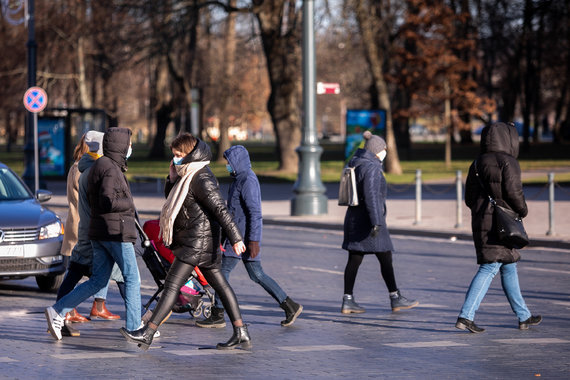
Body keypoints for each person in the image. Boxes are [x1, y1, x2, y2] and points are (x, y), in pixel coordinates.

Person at [120, 133, 251, 350]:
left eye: (179, 154)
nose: (176, 159)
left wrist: (236, 237)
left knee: (171, 286)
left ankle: (148, 333)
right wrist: (171, 177)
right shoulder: (186, 174)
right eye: (174, 155)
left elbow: (220, 209)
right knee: (221, 286)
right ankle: (241, 331)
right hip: (196, 241)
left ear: (191, 153)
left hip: (197, 243)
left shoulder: (201, 177)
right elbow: (173, 200)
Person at [45, 127, 142, 340]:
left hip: (97, 231)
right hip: (110, 231)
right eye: (129, 145)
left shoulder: (94, 167)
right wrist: (129, 203)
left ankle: (59, 310)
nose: (130, 148)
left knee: (97, 279)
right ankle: (135, 327)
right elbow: (107, 200)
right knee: (131, 277)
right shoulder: (106, 168)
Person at [196, 145, 302, 329]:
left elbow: (255, 213)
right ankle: (289, 305)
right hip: (237, 236)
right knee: (256, 274)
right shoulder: (239, 178)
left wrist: (253, 241)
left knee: (221, 273)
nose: (227, 165)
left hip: (241, 238)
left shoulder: (247, 180)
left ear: (237, 161)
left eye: (229, 162)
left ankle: (218, 314)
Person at [455, 122, 542, 333]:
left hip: (483, 221)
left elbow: (469, 198)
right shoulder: (508, 161)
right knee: (490, 266)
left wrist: (482, 209)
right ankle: (466, 316)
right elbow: (514, 192)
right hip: (502, 223)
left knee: (509, 265)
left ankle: (524, 316)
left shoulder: (476, 163)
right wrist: (522, 210)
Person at [341, 131, 418, 314]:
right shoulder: (372, 168)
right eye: (384, 149)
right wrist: (377, 222)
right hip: (370, 220)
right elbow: (372, 197)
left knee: (355, 258)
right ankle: (395, 297)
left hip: (354, 217)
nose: (385, 152)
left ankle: (348, 300)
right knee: (385, 257)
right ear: (377, 151)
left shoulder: (355, 163)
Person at [56, 131, 121, 337]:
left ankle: (68, 310)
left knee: (84, 272)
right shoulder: (82, 168)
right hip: (83, 227)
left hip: (84, 226)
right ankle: (64, 311)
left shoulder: (83, 166)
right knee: (88, 272)